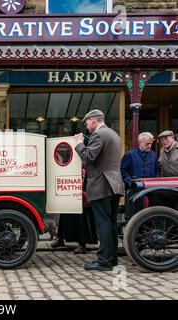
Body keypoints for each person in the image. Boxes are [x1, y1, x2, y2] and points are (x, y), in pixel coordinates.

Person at [74, 109, 124, 271]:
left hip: (102, 185)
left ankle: (103, 261)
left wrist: (79, 143)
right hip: (114, 185)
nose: (86, 126)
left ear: (94, 120)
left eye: (87, 122)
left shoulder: (99, 135)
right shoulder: (113, 134)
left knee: (103, 225)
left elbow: (88, 157)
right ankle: (112, 258)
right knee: (110, 224)